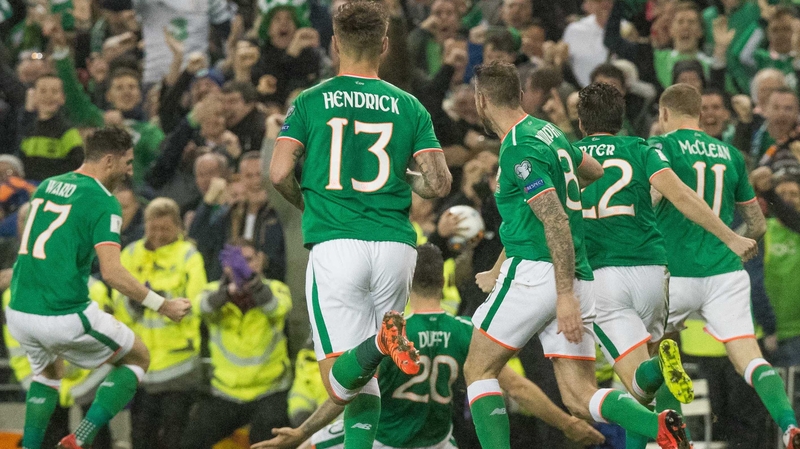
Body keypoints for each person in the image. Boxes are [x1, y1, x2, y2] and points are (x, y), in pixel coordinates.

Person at [464, 61, 689, 449]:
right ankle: (659, 427)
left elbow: (554, 220)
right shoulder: (549, 132)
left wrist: (562, 294)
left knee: (478, 369)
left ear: (481, 101)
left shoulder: (519, 148)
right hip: (580, 277)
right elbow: (594, 170)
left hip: (538, 274)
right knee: (579, 399)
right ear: (519, 95)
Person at [268, 1, 452, 448]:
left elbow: (277, 172)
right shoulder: (410, 106)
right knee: (366, 378)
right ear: (385, 46)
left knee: (339, 380)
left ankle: (381, 343)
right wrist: (404, 180)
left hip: (336, 245)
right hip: (395, 248)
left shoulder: (310, 101)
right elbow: (439, 182)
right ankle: (383, 343)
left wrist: (309, 201)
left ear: (334, 44)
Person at [252, 244, 606, 449]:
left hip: (383, 440)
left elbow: (347, 393)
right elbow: (520, 389)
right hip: (435, 442)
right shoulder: (465, 332)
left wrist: (303, 430)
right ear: (444, 279)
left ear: (407, 279)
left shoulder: (391, 334)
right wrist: (566, 423)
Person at [575, 82, 759, 448]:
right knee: (644, 388)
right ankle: (669, 409)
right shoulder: (642, 148)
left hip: (603, 276)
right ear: (621, 119)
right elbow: (681, 195)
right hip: (653, 275)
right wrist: (730, 237)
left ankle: (660, 370)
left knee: (633, 387)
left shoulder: (568, 154)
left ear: (580, 123)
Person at [4, 127, 191, 449]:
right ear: (108, 161)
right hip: (62, 314)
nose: (130, 171)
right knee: (137, 358)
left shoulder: (47, 186)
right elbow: (113, 273)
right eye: (128, 163)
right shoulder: (104, 203)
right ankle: (80, 438)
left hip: (20, 312)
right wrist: (165, 305)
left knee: (48, 374)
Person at [649, 83, 800, 449]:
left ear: (664, 114)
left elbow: (652, 201)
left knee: (652, 353)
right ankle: (790, 424)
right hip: (726, 273)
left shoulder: (659, 147)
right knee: (749, 358)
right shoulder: (730, 154)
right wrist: (735, 247)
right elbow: (758, 223)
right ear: (700, 114)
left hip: (675, 272)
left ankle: (672, 439)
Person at [111, 197, 207, 449]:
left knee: (175, 437)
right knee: (141, 436)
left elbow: (196, 301)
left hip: (179, 365)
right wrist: (134, 304)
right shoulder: (130, 253)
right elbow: (117, 297)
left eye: (165, 229)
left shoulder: (189, 255)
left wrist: (160, 301)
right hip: (141, 362)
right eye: (153, 228)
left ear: (178, 227)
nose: (159, 235)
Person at [181, 240, 292, 448]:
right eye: (236, 262)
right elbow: (201, 308)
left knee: (268, 444)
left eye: (249, 260)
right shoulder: (212, 291)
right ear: (225, 265)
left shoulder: (276, 288)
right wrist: (228, 291)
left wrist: (251, 281)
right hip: (225, 392)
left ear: (260, 260)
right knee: (190, 442)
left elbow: (277, 308)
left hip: (269, 391)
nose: (244, 266)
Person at [18, 74, 84, 182]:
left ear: (63, 98)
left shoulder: (68, 131)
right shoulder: (27, 129)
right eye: (43, 91)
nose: (48, 96)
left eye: (54, 91)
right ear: (34, 96)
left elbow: (78, 163)